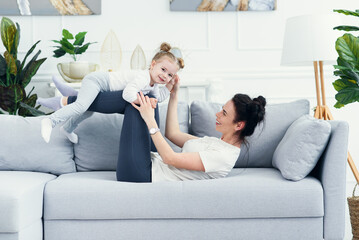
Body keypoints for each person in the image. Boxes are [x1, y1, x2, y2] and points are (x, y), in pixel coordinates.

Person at [57, 76, 266, 182]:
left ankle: (73, 100)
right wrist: (174, 95)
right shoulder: (217, 143)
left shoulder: (223, 156)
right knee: (150, 98)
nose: (217, 115)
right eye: (221, 109)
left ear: (239, 125)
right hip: (149, 162)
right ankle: (75, 100)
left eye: (224, 114)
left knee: (136, 102)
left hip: (142, 174)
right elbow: (173, 135)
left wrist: (150, 121)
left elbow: (171, 159)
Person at [40, 42, 184, 144]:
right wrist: (143, 101)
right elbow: (127, 94)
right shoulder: (143, 77)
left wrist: (170, 87)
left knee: (88, 111)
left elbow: (158, 99)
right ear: (153, 65)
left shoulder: (154, 85)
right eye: (163, 70)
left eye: (170, 75)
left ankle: (67, 128)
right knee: (82, 106)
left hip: (103, 87)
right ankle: (50, 121)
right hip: (97, 81)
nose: (165, 76)